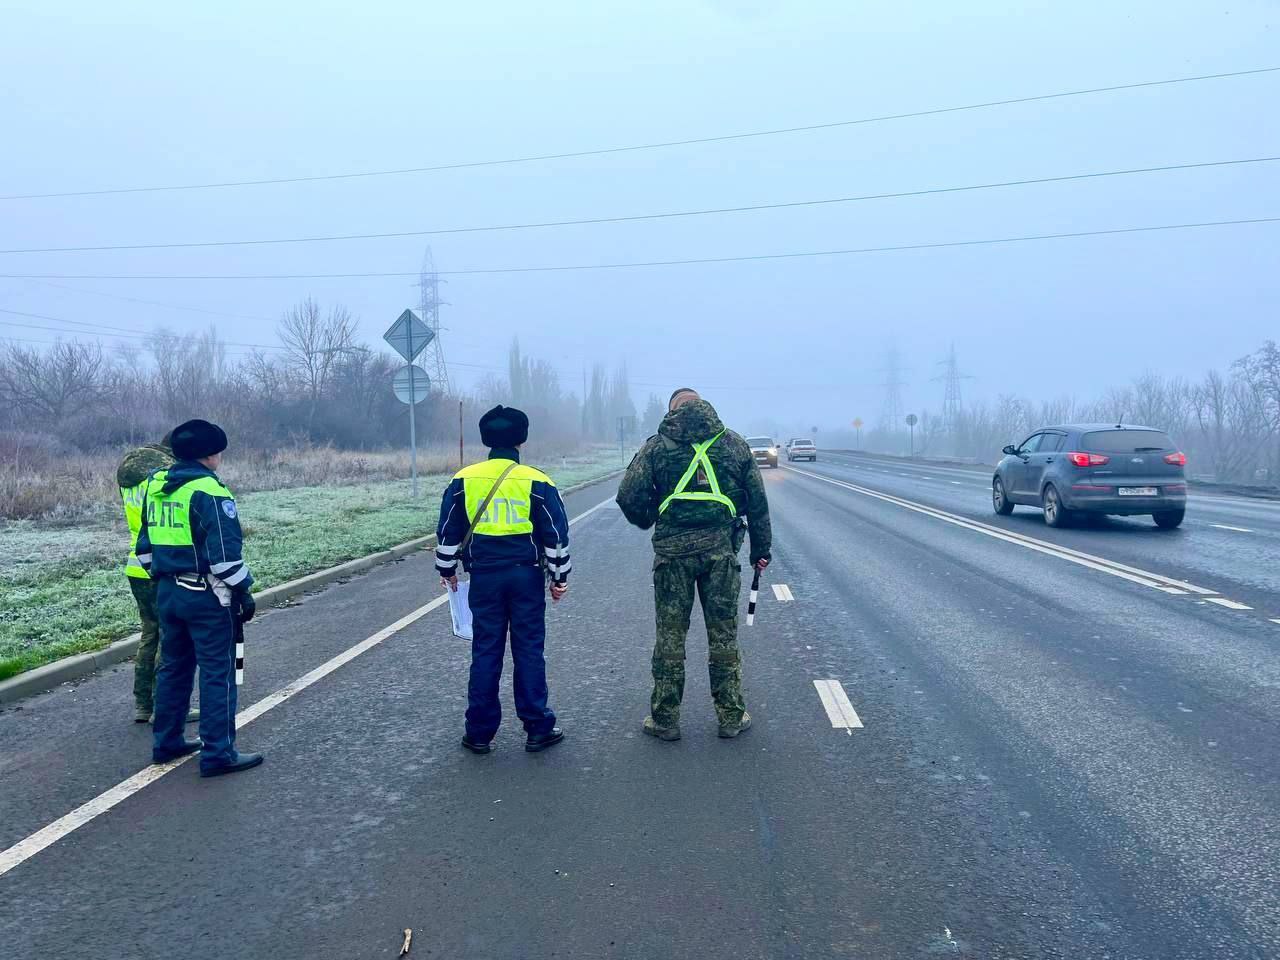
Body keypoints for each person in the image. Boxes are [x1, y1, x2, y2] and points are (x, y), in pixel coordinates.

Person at [617, 388, 772, 741]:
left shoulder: (657, 445)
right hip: (721, 553)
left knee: (670, 637)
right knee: (723, 635)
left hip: (672, 556)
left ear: (673, 411)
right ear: (703, 406)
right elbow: (758, 503)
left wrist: (651, 518)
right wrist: (760, 550)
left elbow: (628, 495)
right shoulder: (733, 444)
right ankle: (731, 716)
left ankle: (665, 720)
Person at [435, 405, 570, 755]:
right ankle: (538, 727)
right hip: (525, 576)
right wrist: (559, 577)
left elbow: (449, 530)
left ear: (485, 439)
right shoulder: (537, 480)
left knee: (486, 651)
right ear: (522, 439)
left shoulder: (464, 479)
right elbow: (554, 534)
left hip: (484, 577)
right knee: (528, 650)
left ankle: (478, 733)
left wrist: (447, 570)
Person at [136, 419, 262, 777]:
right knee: (218, 672)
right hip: (207, 596)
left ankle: (167, 742)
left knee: (173, 668)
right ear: (212, 454)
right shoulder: (210, 491)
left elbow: (143, 548)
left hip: (166, 592)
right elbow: (224, 557)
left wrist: (164, 577)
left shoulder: (156, 485)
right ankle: (218, 753)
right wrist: (243, 590)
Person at [116, 434, 183, 724]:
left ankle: (143, 704)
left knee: (149, 634)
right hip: (159, 562)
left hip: (135, 563)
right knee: (169, 636)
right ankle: (163, 706)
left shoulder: (130, 472)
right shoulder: (162, 474)